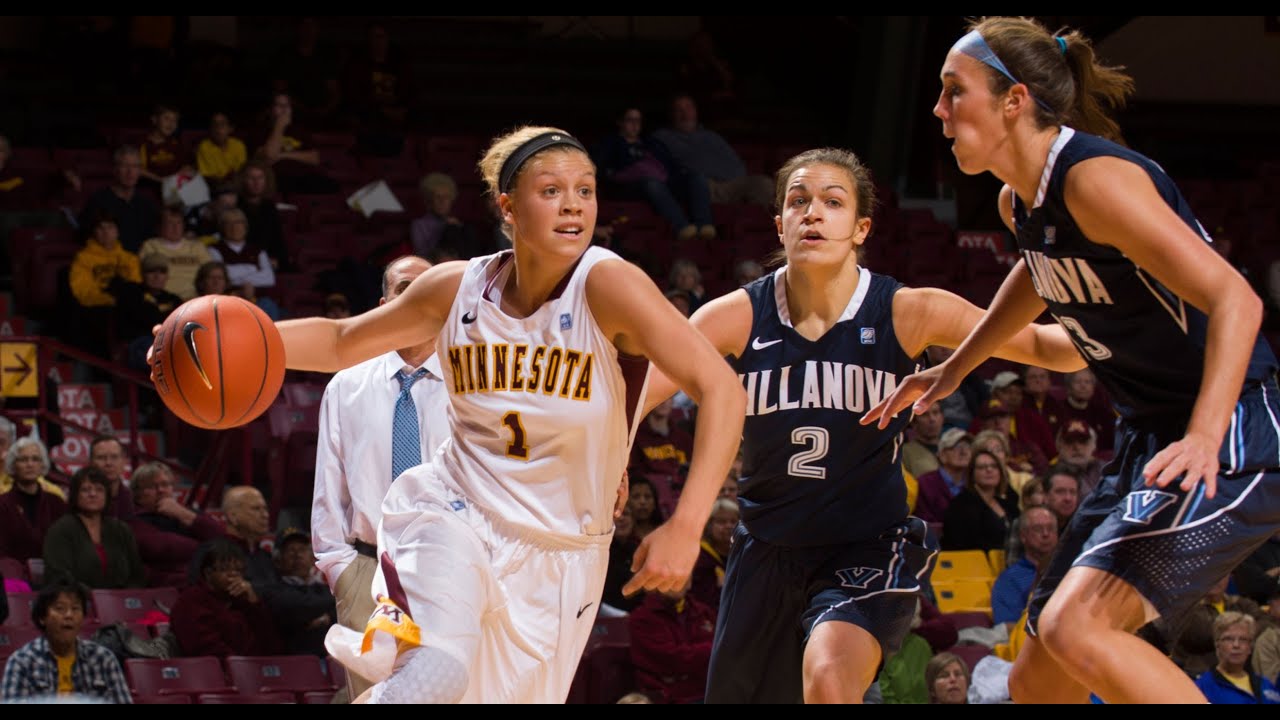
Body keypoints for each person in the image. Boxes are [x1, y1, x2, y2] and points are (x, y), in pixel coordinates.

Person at [863, 16, 1280, 704]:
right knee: (1040, 673)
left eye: (952, 90)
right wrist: (958, 367)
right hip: (1150, 434)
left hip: (1229, 425)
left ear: (1014, 100)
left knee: (1078, 629)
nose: (937, 109)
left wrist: (1206, 433)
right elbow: (1036, 272)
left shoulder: (1093, 180)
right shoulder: (1020, 201)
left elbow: (1237, 298)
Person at [262, 126, 745, 703]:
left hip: (563, 551)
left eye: (585, 190)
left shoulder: (608, 284)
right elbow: (343, 340)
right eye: (551, 190)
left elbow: (722, 389)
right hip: (454, 513)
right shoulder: (454, 287)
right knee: (432, 677)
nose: (572, 204)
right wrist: (239, 333)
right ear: (507, 206)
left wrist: (685, 526)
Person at [642, 147, 1083, 703]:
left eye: (832, 201)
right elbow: (635, 399)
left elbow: (1047, 346)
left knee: (829, 677)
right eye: (797, 202)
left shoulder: (906, 311)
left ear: (861, 227)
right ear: (778, 224)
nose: (813, 213)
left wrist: (1124, 320)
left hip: (866, 545)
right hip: (765, 548)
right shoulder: (735, 316)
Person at [310, 255, 448, 699]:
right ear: (385, 303)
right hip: (368, 568)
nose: (418, 297)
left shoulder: (473, 385)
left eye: (429, 288)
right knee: (375, 699)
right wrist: (341, 570)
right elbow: (328, 492)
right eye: (406, 288)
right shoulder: (346, 385)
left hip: (452, 567)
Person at [0, 579, 132, 703]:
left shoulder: (104, 659)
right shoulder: (22, 662)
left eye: (75, 609)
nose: (69, 615)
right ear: (42, 617)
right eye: (60, 609)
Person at [42, 467, 146, 589]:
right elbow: (59, 577)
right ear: (75, 495)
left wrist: (125, 599)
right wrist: (96, 599)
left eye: (99, 489)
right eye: (85, 490)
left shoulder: (121, 529)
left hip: (121, 602)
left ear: (107, 495)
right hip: (79, 601)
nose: (92, 494)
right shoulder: (61, 530)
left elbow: (137, 574)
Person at [1194, 612, 1280, 704]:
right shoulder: (1202, 687)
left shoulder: (1265, 685)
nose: (1236, 645)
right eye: (1229, 639)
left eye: (1243, 639)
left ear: (1250, 647)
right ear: (1217, 645)